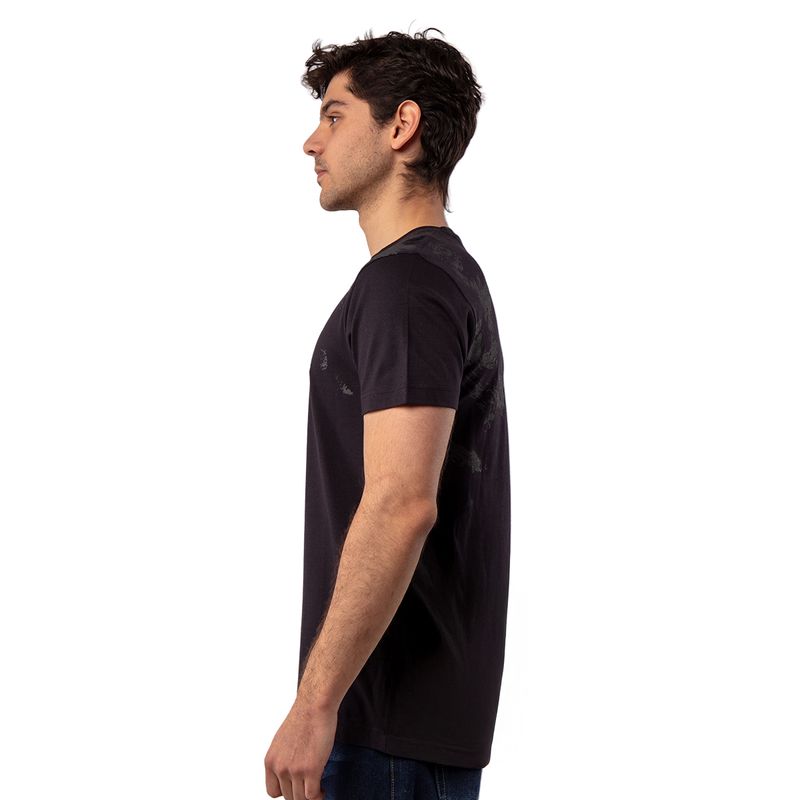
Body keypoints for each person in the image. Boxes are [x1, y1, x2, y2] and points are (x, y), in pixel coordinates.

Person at [264, 27, 510, 800]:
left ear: (401, 126)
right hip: (400, 734)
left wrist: (314, 705)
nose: (312, 142)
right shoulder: (435, 278)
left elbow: (402, 502)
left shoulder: (407, 287)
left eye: (335, 116)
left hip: (385, 734)